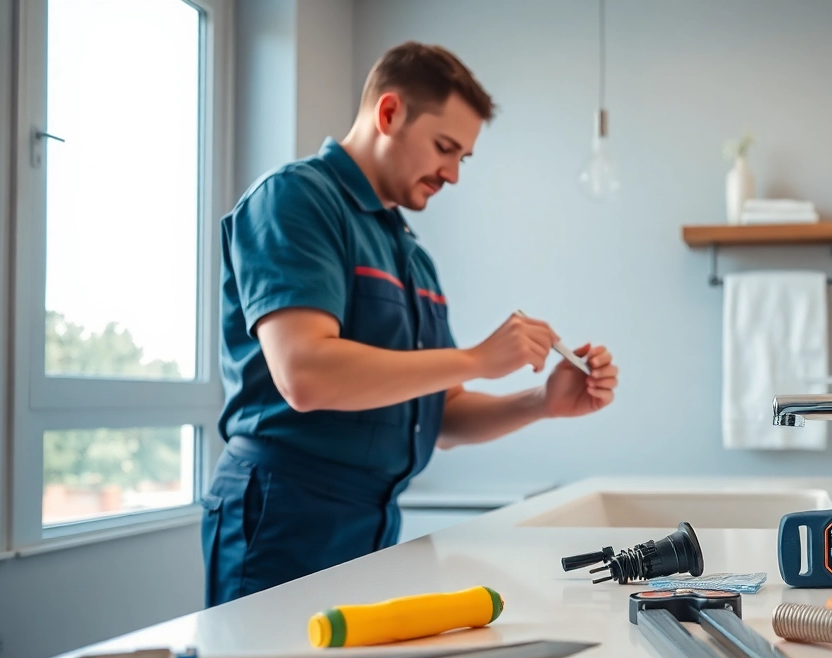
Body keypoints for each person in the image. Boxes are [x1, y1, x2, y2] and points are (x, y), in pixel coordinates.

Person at [201, 42, 619, 606]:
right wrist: (476, 359)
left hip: (375, 522)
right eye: (445, 148)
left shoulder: (412, 256)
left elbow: (440, 415)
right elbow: (305, 374)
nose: (453, 174)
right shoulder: (294, 200)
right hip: (284, 515)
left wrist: (541, 401)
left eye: (463, 158)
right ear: (390, 112)